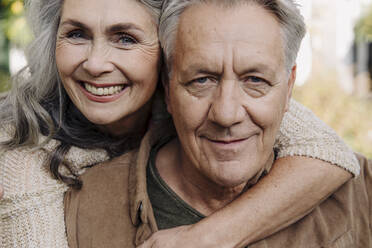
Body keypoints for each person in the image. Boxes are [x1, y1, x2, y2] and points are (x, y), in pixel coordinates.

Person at [0, 0, 360, 247]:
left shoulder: (204, 92)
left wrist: (212, 236)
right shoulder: (23, 157)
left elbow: (326, 149)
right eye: (76, 33)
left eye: (124, 38)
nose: (95, 63)